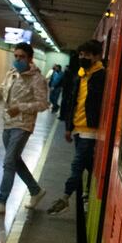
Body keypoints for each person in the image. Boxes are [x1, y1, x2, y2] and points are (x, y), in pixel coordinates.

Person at [0, 42, 49, 215]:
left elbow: (43, 104)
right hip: (8, 123)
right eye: (16, 56)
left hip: (23, 125)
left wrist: (20, 107)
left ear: (30, 58)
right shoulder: (12, 74)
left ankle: (1, 201)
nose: (18, 60)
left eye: (22, 57)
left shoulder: (37, 79)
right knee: (15, 161)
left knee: (9, 162)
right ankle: (35, 190)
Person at [47, 40, 106, 215]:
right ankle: (86, 194)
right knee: (87, 164)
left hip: (91, 130)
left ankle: (65, 197)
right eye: (81, 55)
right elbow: (73, 101)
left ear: (96, 56)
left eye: (87, 55)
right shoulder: (80, 75)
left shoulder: (101, 76)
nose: (83, 58)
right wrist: (68, 127)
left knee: (77, 164)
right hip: (78, 128)